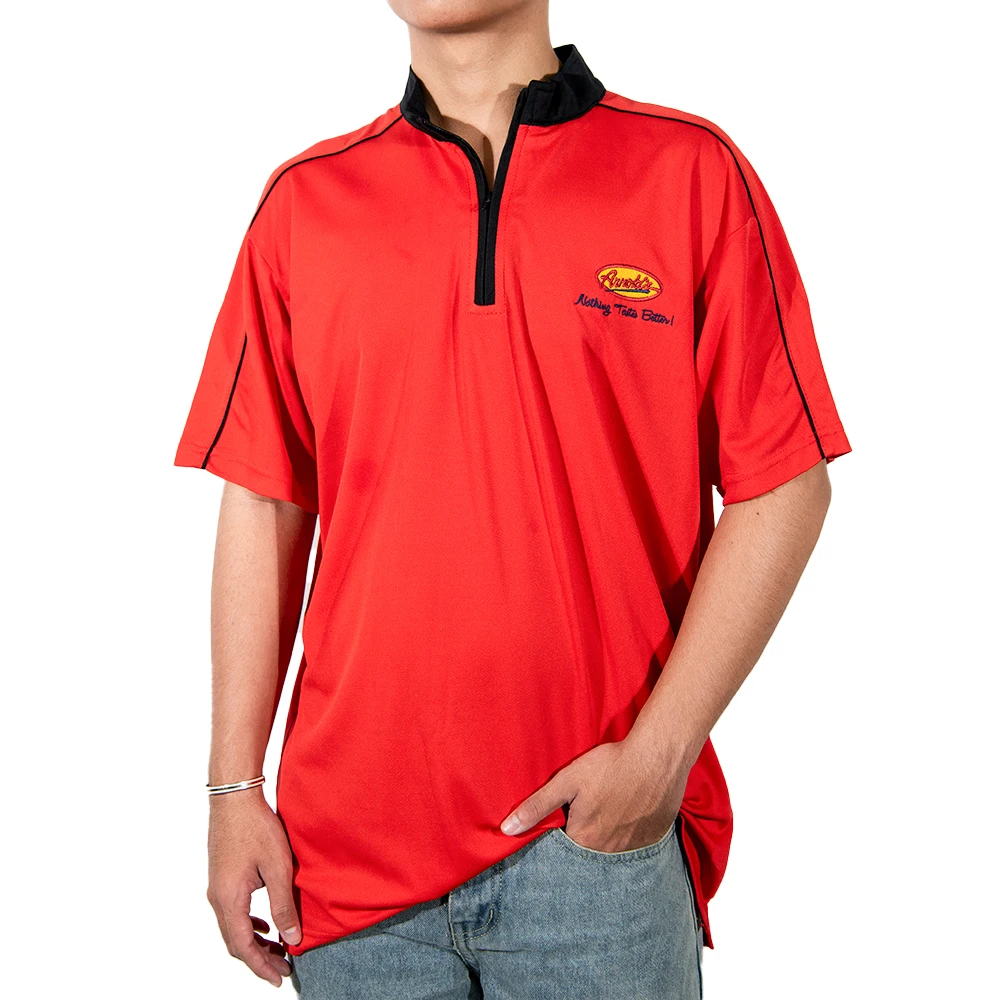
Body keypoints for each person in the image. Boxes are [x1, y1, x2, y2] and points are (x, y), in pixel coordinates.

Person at [174, 1, 851, 996]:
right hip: (347, 865)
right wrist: (233, 787)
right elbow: (265, 499)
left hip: (594, 846)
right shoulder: (304, 204)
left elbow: (784, 481)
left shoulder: (689, 173)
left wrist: (656, 762)